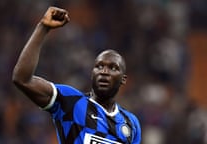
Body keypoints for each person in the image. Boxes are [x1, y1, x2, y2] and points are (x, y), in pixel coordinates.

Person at [12, 6, 141, 144]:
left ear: (123, 79)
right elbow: (22, 79)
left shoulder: (131, 123)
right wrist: (43, 27)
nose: (104, 72)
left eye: (113, 68)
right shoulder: (71, 101)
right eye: (99, 66)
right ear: (92, 74)